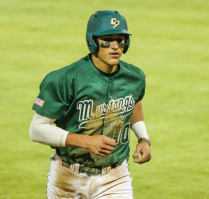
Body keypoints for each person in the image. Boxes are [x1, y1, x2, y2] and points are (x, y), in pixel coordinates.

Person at [29, 10, 152, 199]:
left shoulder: (135, 77)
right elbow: (36, 130)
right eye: (107, 40)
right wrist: (86, 141)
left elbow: (134, 102)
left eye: (120, 40)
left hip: (115, 177)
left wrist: (143, 138)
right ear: (92, 42)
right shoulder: (64, 79)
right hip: (67, 178)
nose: (115, 47)